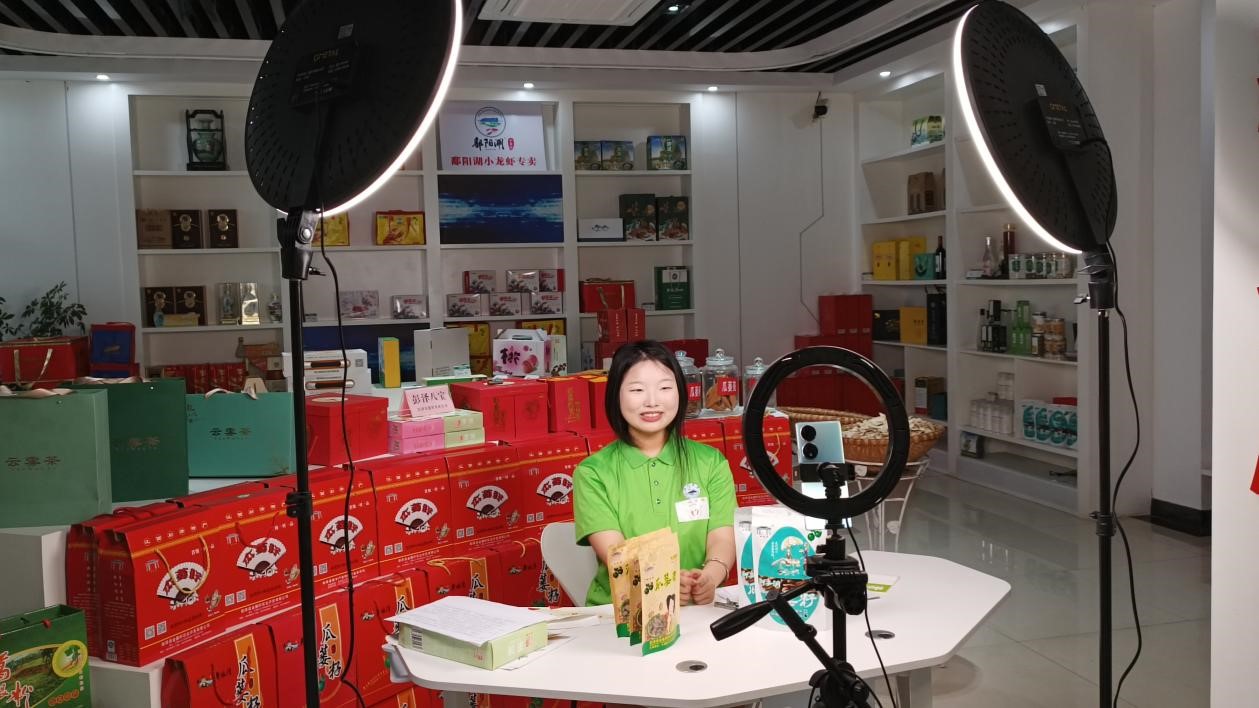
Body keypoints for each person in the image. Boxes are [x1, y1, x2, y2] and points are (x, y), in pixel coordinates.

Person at [573, 340, 736, 607]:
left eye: (665, 388)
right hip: (621, 614)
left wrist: (710, 577)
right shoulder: (593, 473)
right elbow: (616, 553)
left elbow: (722, 537)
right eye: (637, 390)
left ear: (680, 392)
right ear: (616, 395)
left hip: (697, 610)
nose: (652, 401)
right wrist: (665, 581)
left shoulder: (711, 463)